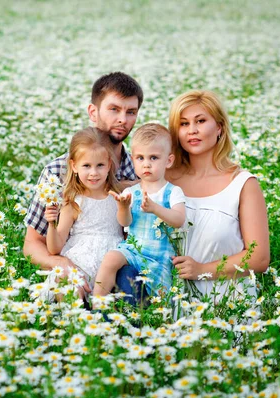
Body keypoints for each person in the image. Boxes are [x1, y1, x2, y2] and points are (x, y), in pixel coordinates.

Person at [23, 72, 145, 299]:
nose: (123, 119)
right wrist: (63, 266)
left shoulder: (140, 171)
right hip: (77, 266)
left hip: (123, 271)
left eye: (131, 112)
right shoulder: (58, 171)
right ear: (93, 112)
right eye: (114, 109)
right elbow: (32, 244)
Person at [166, 90, 270, 303]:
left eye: (200, 121)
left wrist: (202, 270)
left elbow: (259, 258)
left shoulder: (243, 184)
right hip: (168, 305)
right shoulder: (163, 179)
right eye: (183, 124)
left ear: (219, 127)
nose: (192, 131)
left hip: (227, 305)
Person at [93, 123, 186, 300]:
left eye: (154, 158)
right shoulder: (131, 192)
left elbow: (179, 219)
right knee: (111, 258)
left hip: (158, 258)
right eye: (140, 158)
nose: (146, 164)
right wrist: (122, 208)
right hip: (133, 250)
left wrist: (155, 209)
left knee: (159, 300)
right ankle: (97, 304)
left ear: (169, 160)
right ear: (133, 159)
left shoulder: (172, 191)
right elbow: (125, 222)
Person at [45, 127, 124, 292]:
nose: (93, 173)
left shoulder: (118, 196)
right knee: (68, 288)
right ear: (74, 166)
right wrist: (51, 224)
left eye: (100, 165)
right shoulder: (73, 201)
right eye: (86, 165)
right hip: (79, 264)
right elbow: (55, 248)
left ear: (109, 164)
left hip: (110, 267)